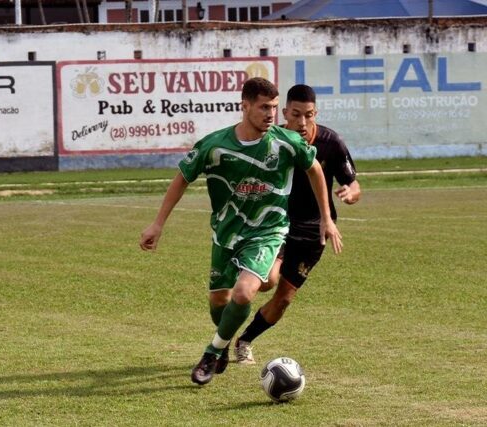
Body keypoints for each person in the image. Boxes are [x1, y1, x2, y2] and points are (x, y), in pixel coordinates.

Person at [139, 77, 342, 386]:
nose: (271, 114)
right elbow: (182, 177)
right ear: (244, 106)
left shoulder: (286, 142)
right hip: (226, 234)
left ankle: (211, 352)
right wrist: (158, 223)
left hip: (268, 231)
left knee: (245, 291)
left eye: (274, 108)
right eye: (263, 107)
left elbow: (314, 169)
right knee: (219, 301)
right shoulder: (215, 145)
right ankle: (222, 345)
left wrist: (326, 218)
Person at [233, 84, 361, 364]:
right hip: (277, 225)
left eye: (309, 115)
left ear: (316, 113)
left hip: (314, 231)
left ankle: (244, 341)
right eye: (296, 114)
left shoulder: (331, 142)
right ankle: (241, 286)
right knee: (267, 281)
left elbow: (352, 183)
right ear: (285, 113)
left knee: (284, 299)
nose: (303, 122)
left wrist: (351, 192)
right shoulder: (271, 141)